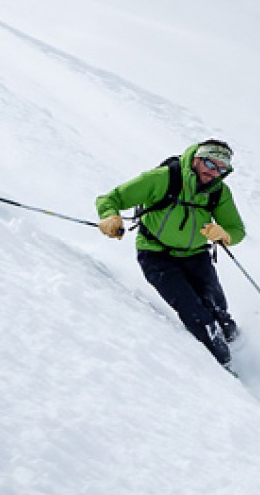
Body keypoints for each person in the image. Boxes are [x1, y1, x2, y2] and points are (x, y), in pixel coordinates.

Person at [97, 139, 246, 366]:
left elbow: (237, 230)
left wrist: (224, 234)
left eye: (221, 169)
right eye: (210, 164)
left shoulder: (219, 192)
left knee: (218, 311)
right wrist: (110, 216)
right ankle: (225, 368)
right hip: (156, 254)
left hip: (196, 255)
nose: (213, 172)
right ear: (197, 159)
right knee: (195, 312)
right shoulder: (163, 178)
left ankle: (239, 349)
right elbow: (111, 198)